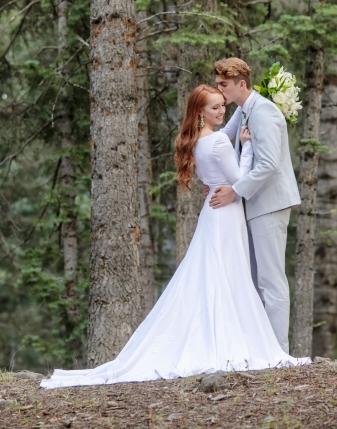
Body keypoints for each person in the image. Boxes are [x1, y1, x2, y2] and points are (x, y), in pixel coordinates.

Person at [40, 85, 308, 388]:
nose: (222, 111)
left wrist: (245, 102)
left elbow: (224, 138)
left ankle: (228, 336)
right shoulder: (219, 141)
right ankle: (233, 342)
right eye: (215, 107)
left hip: (213, 212)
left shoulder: (197, 141)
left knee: (217, 275)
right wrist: (246, 147)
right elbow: (239, 179)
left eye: (223, 105)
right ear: (200, 113)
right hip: (226, 212)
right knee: (229, 275)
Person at [209, 58, 301, 353]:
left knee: (271, 280)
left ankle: (279, 353)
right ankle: (263, 350)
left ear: (241, 84)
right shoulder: (244, 109)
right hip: (255, 204)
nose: (219, 90)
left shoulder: (264, 111)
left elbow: (269, 164)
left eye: (223, 84)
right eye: (217, 84)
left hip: (270, 203)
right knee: (255, 279)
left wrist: (234, 191)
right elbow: (221, 139)